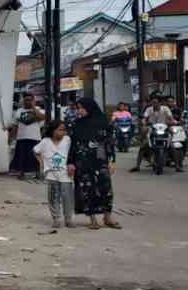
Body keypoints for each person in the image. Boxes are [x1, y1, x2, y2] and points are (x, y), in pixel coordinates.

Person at [69, 97, 120, 229]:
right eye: (77, 108)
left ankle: (107, 217)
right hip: (82, 161)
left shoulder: (104, 122)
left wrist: (112, 160)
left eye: (81, 108)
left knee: (106, 188)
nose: (79, 111)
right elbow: (73, 145)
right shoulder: (77, 124)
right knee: (87, 188)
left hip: (100, 159)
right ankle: (92, 219)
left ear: (89, 107)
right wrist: (70, 162)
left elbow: (109, 143)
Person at [34, 121, 74, 229]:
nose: (63, 132)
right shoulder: (45, 142)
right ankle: (56, 219)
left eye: (64, 130)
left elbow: (73, 153)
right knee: (53, 197)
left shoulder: (67, 140)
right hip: (51, 173)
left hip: (65, 173)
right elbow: (36, 151)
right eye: (60, 130)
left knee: (67, 197)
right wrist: (42, 163)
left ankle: (68, 219)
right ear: (53, 131)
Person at [130, 93, 175, 172]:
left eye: (156, 102)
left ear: (160, 103)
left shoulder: (165, 108)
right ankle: (137, 166)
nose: (155, 104)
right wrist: (143, 122)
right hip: (152, 129)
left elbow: (171, 118)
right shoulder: (149, 109)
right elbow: (144, 118)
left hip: (164, 128)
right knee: (143, 146)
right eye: (153, 102)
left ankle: (177, 166)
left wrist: (171, 122)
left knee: (172, 145)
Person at [10, 94, 46, 180]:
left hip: (35, 138)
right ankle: (22, 173)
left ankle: (38, 173)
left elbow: (42, 117)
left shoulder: (39, 110)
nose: (27, 101)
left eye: (30, 100)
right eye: (26, 100)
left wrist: (33, 107)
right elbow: (15, 125)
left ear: (34, 101)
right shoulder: (19, 111)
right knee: (22, 157)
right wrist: (11, 137)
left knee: (35, 156)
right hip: (21, 138)